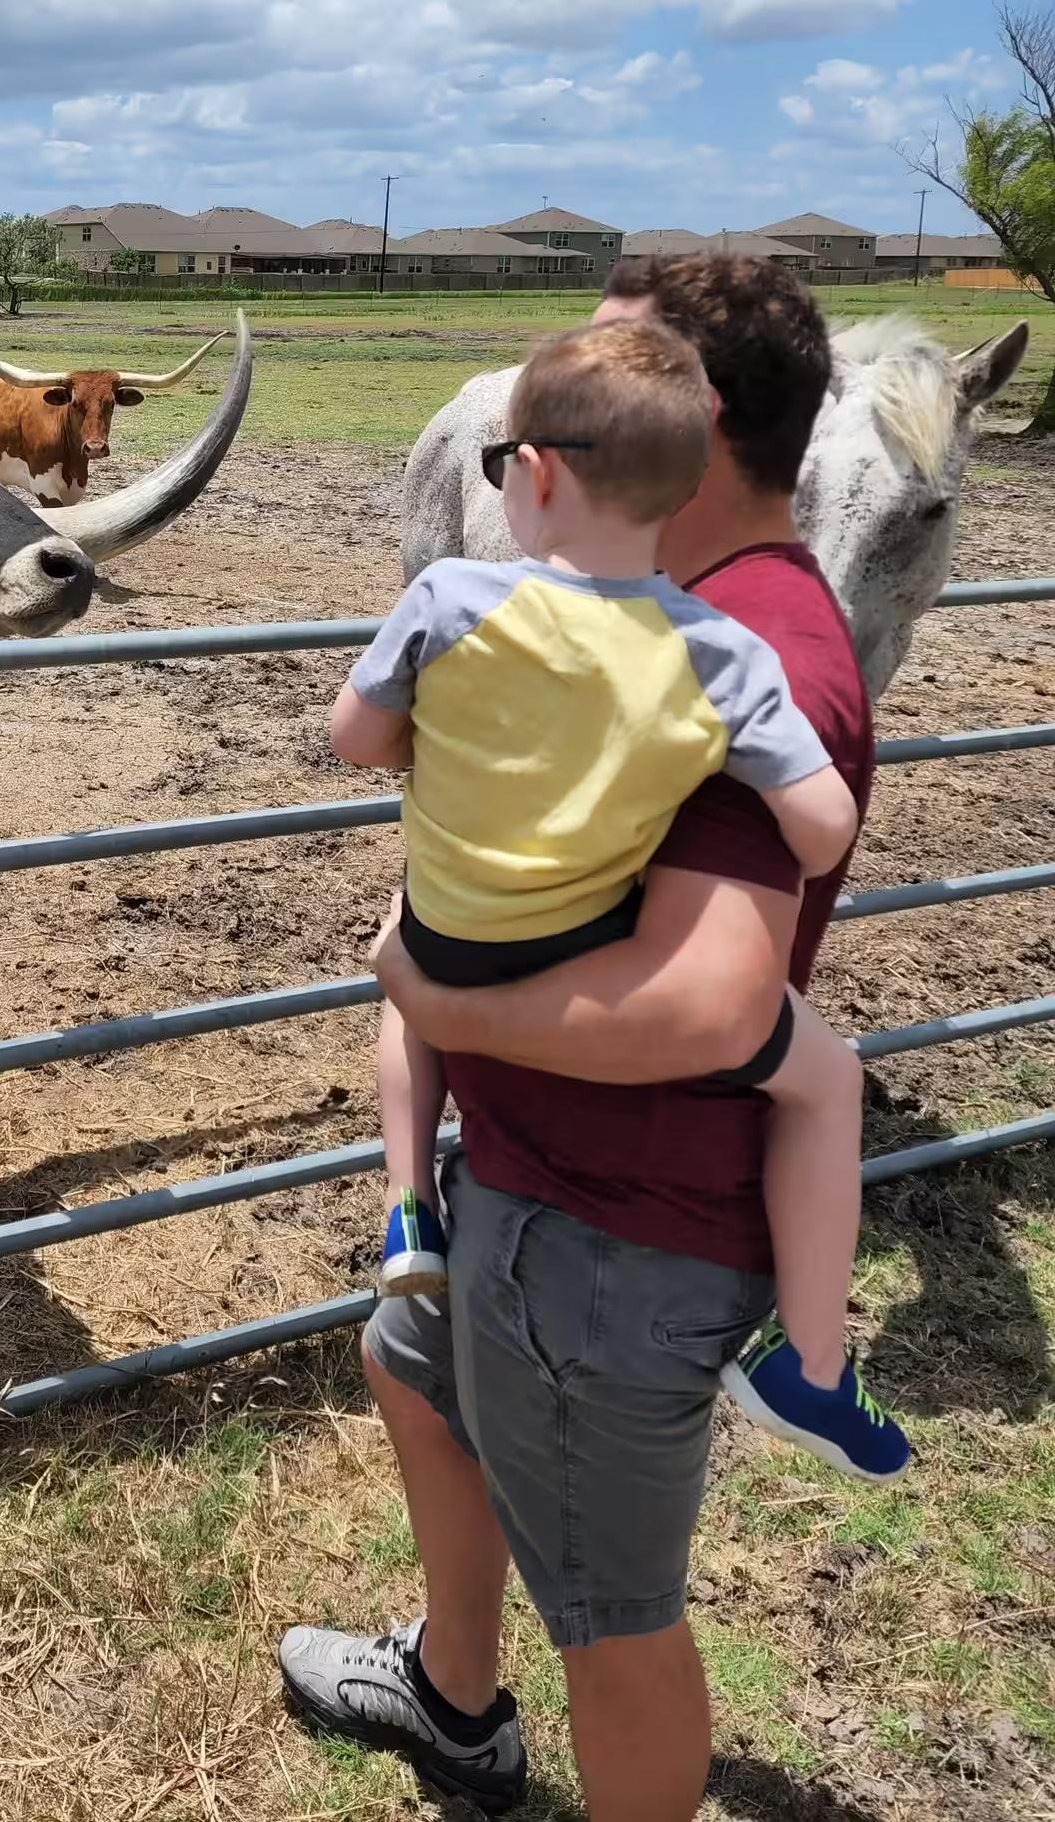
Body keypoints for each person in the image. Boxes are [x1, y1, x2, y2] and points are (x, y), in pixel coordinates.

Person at [277, 255, 884, 1822]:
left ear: (695, 417)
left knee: (616, 1622)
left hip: (613, 1233)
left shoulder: (760, 651)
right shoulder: (669, 627)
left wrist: (435, 995)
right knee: (410, 1360)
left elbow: (710, 1006)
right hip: (531, 1170)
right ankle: (456, 1695)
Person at [345, 316, 905, 1491]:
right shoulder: (729, 652)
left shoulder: (449, 595)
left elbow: (356, 740)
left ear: (532, 480)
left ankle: (407, 1209)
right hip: (587, 944)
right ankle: (810, 1358)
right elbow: (822, 830)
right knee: (830, 1077)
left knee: (409, 952)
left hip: (451, 930)